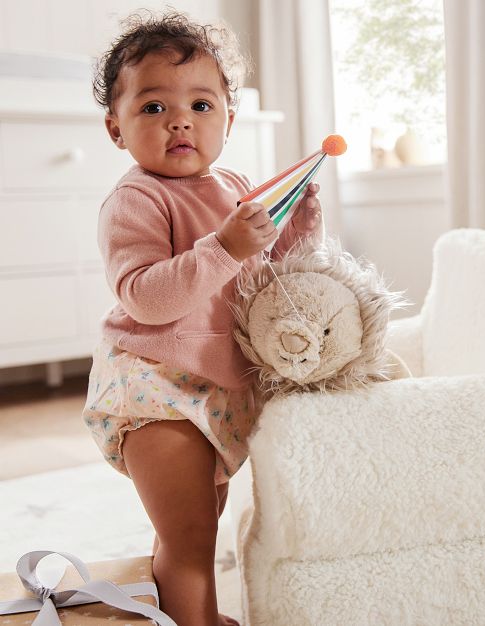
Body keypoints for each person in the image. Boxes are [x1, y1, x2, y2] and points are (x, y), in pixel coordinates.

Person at [82, 11, 323, 626]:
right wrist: (225, 247)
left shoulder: (238, 188)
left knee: (193, 530)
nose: (181, 120)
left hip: (217, 386)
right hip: (154, 386)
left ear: (229, 120)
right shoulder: (136, 198)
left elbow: (266, 285)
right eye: (154, 108)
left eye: (201, 104)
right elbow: (145, 297)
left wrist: (295, 231)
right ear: (117, 128)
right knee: (189, 538)